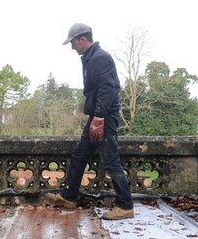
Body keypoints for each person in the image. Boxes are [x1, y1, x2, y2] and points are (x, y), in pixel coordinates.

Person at [45, 23, 134, 220]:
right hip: (97, 116)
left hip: (104, 117)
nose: (72, 47)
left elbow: (107, 89)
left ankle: (126, 205)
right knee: (80, 154)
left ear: (82, 39)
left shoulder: (100, 58)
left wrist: (100, 117)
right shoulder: (90, 57)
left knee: (110, 160)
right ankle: (69, 197)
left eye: (73, 42)